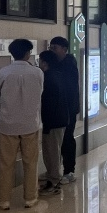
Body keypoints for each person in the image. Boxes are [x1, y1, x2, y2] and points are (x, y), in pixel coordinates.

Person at [0, 39, 44, 209]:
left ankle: (4, 200)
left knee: (6, 164)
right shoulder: (37, 73)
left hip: (8, 124)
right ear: (28, 53)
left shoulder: (3, 72)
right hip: (30, 123)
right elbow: (40, 92)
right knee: (31, 162)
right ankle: (30, 198)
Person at [49, 36, 80, 184]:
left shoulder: (69, 64)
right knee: (59, 140)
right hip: (59, 108)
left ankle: (69, 171)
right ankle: (57, 170)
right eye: (51, 48)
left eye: (55, 48)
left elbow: (69, 89)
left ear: (64, 49)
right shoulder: (57, 64)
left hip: (68, 109)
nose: (52, 51)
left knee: (67, 138)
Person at [37, 50, 68, 195]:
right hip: (59, 119)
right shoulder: (58, 75)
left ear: (45, 63)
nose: (39, 63)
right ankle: (52, 176)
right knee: (53, 151)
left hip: (53, 121)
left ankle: (53, 183)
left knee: (52, 152)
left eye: (40, 60)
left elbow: (50, 103)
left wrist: (47, 124)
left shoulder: (49, 78)